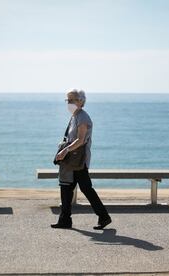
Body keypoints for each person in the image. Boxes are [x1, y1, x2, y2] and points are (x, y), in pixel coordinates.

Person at [51, 89, 112, 230]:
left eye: (72, 100)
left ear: (80, 101)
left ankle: (103, 216)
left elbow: (81, 140)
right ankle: (65, 220)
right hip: (72, 160)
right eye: (67, 100)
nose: (69, 103)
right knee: (66, 187)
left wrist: (65, 150)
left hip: (78, 160)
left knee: (84, 188)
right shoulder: (75, 116)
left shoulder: (82, 117)